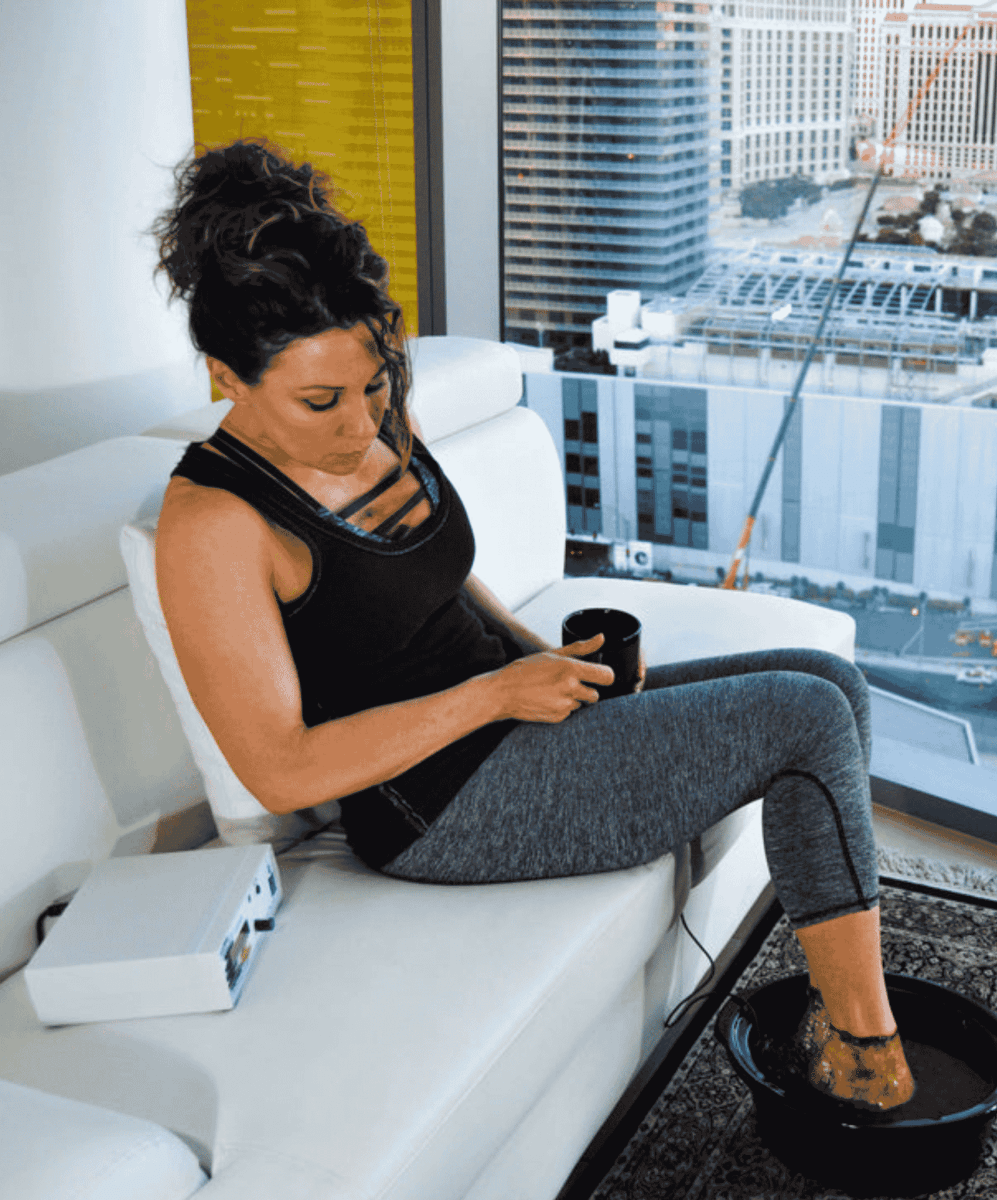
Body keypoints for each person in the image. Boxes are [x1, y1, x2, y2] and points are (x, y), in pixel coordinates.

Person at [151, 139, 914, 1109]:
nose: (360, 424)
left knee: (829, 681)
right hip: (435, 805)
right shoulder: (214, 525)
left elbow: (435, 577)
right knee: (801, 721)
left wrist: (540, 658)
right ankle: (862, 1059)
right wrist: (495, 696)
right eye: (319, 401)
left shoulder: (375, 418)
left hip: (508, 714)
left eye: (374, 385)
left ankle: (834, 985)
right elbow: (282, 769)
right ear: (227, 376)